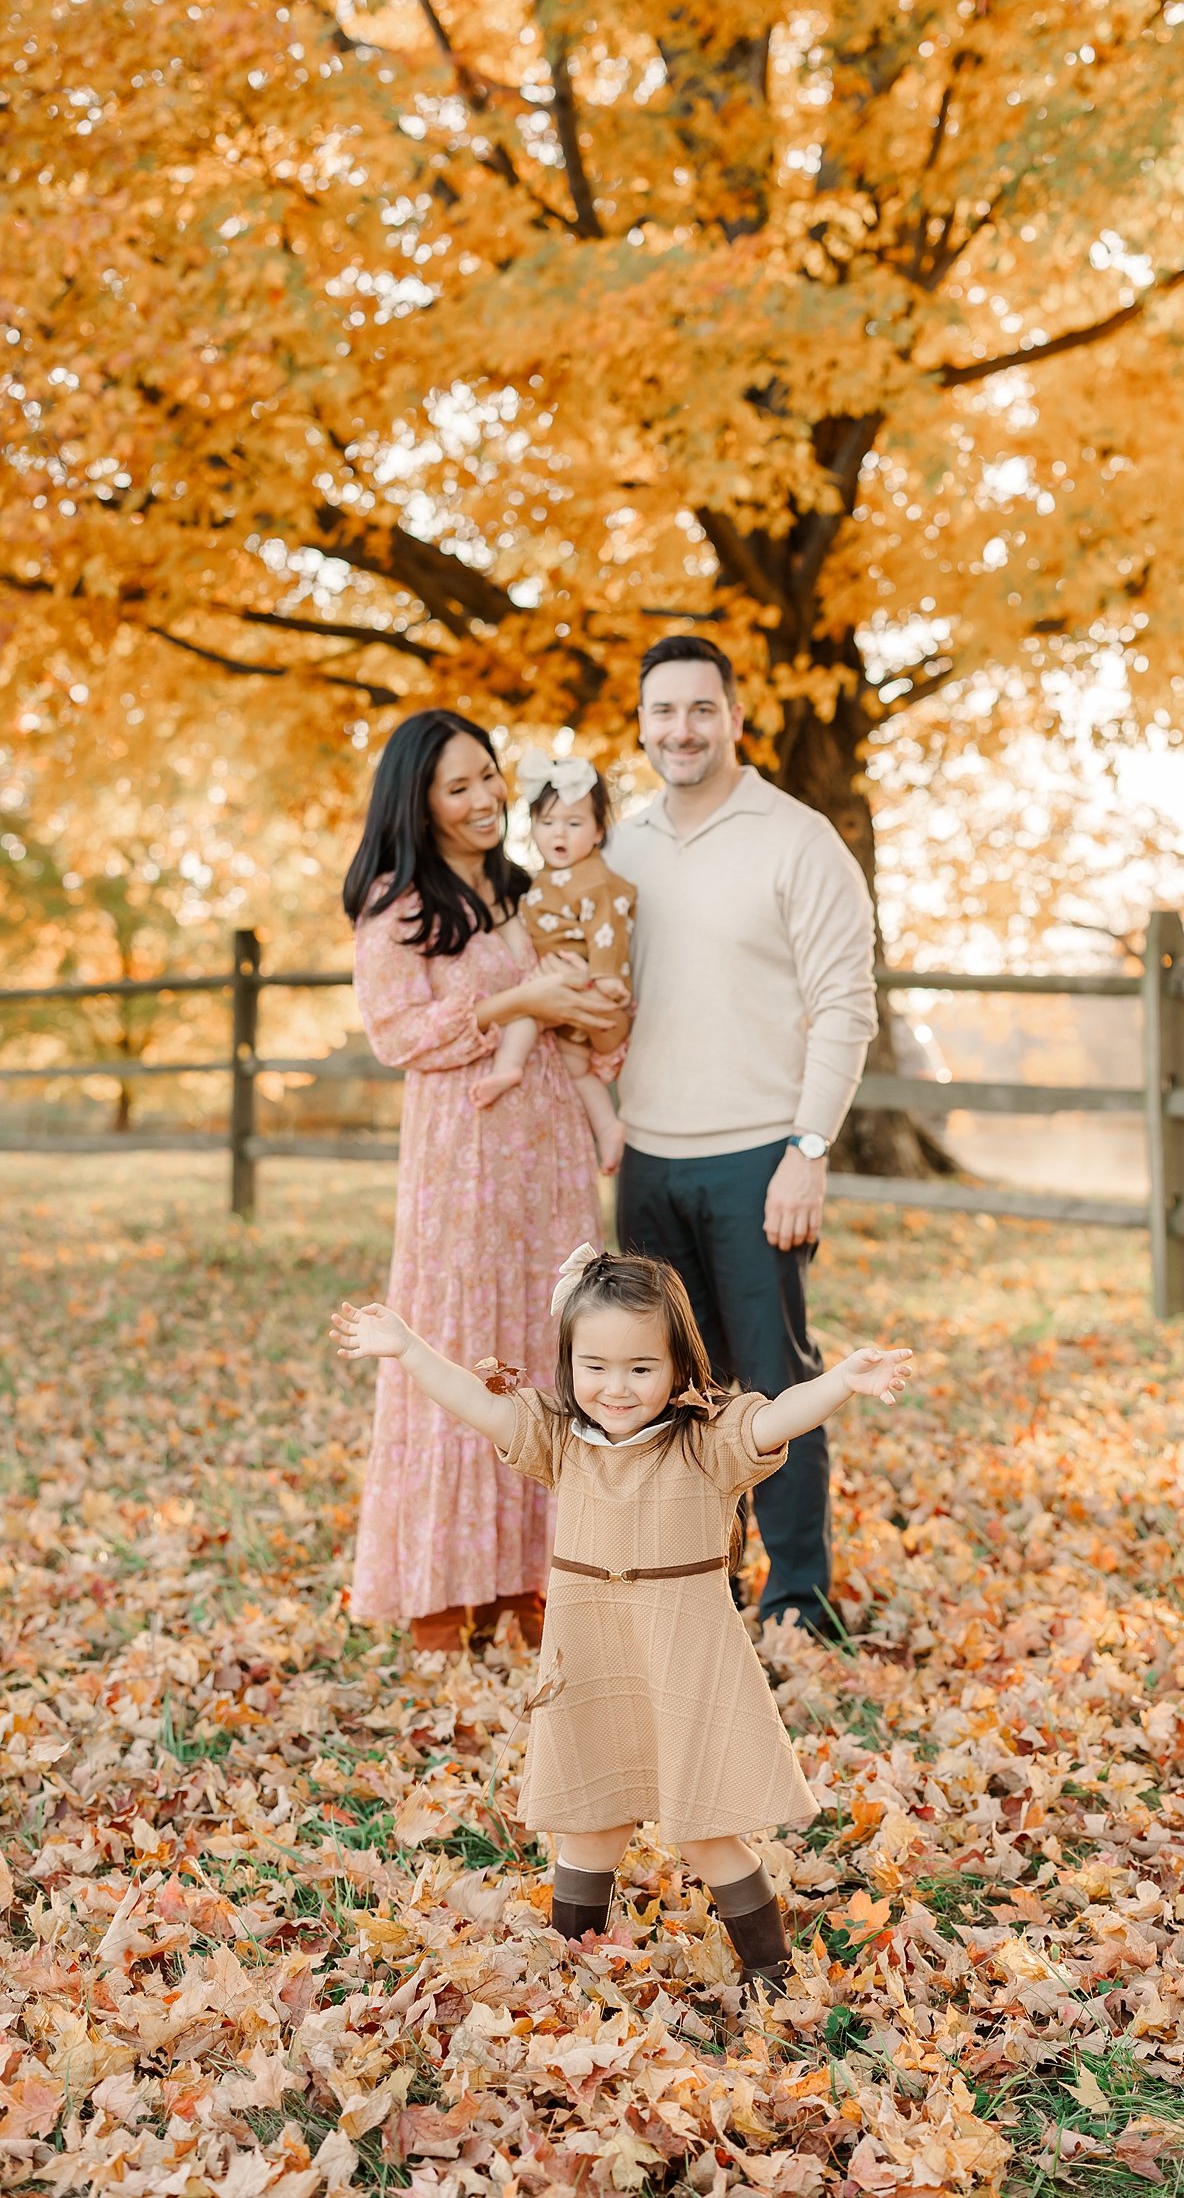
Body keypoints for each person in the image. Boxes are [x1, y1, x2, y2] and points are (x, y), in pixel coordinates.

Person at [329, 1246, 912, 1992]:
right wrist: (409, 1348)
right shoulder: (559, 1440)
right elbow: (478, 1405)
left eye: (641, 1367)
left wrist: (838, 1383)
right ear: (570, 1362)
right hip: (593, 1654)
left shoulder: (705, 1440)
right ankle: (579, 1974)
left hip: (682, 1654)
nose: (616, 1386)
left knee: (706, 1831)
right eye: (595, 1366)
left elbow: (775, 1421)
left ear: (676, 1367)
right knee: (588, 1824)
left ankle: (772, 1978)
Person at [608, 635, 879, 1635]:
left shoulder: (797, 839)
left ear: (733, 716)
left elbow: (846, 1003)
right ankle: (692, 1584)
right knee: (661, 1391)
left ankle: (798, 1597)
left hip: (759, 1155)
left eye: (700, 710)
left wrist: (809, 1148)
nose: (681, 730)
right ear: (642, 725)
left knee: (772, 1386)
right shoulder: (620, 845)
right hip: (647, 1158)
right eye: (662, 713)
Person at [342, 709, 625, 1654]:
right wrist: (517, 1001)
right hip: (462, 1165)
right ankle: (441, 1590)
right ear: (417, 803)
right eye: (457, 787)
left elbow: (576, 989)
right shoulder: (400, 903)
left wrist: (587, 1003)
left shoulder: (527, 891)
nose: (484, 801)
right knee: (459, 1347)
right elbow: (399, 1035)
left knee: (549, 1343)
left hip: (545, 1155)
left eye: (489, 779)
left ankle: (537, 1581)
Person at [472, 754, 635, 1175]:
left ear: (599, 831)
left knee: (528, 1012)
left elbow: (608, 929)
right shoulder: (545, 877)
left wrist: (606, 976)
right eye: (546, 822)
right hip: (551, 985)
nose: (558, 833)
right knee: (576, 1067)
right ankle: (607, 1127)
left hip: (583, 978)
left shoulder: (594, 878)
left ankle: (509, 1066)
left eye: (574, 823)